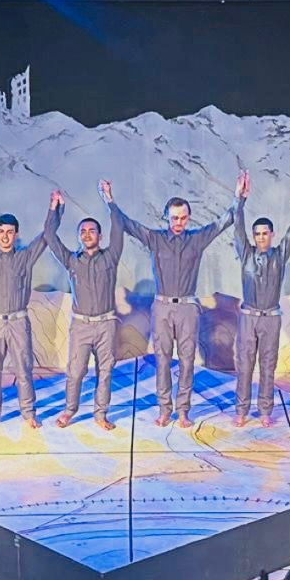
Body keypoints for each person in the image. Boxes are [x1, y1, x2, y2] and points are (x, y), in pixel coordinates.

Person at [103, 179, 232, 430]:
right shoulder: (155, 239)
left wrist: (240, 197)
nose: (178, 223)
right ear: (166, 217)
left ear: (189, 218)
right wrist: (110, 200)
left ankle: (183, 411)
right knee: (162, 360)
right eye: (174, 218)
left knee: (186, 360)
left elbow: (222, 222)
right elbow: (128, 224)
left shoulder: (197, 239)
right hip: (162, 307)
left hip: (187, 307)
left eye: (183, 218)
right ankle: (164, 410)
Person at [0, 201, 53, 429]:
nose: (5, 236)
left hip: (18, 322)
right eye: (2, 231)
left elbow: (46, 236)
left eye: (10, 232)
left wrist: (54, 208)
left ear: (16, 234)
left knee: (24, 369)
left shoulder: (25, 256)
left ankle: (28, 412)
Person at [43, 195, 123, 430]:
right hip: (81, 326)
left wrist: (110, 201)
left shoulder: (110, 257)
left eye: (92, 231)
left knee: (105, 371)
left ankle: (101, 414)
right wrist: (55, 209)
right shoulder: (71, 260)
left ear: (100, 236)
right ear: (79, 236)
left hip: (106, 324)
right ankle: (70, 410)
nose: (87, 234)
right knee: (75, 371)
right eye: (83, 231)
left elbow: (119, 229)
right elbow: (49, 235)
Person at [230, 172, 290, 429]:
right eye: (257, 234)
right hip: (248, 318)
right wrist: (240, 198)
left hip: (271, 318)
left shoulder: (280, 255)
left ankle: (265, 410)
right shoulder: (246, 254)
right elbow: (237, 227)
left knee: (268, 366)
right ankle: (241, 410)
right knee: (245, 366)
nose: (260, 237)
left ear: (272, 234)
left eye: (264, 233)